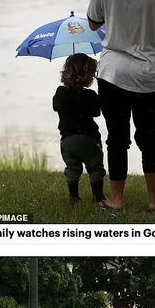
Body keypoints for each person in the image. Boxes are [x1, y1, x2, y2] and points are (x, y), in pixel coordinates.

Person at [87, 0, 155, 211]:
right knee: (150, 137)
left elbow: (93, 22)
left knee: (116, 137)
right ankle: (154, 201)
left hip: (114, 73)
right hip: (151, 75)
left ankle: (116, 199)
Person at [52, 53, 106, 204]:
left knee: (72, 168)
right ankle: (98, 196)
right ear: (89, 77)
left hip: (68, 140)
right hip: (89, 138)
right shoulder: (90, 95)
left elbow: (55, 106)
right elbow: (96, 112)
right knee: (95, 167)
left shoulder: (60, 93)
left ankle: (74, 197)